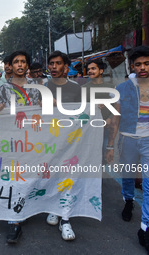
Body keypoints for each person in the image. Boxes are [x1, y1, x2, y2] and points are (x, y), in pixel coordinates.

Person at [105, 45, 149, 252]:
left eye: (147, 63)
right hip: (128, 139)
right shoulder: (123, 88)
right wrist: (110, 145)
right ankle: (129, 200)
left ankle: (145, 227)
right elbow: (116, 118)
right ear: (132, 66)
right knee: (128, 175)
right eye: (138, 64)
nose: (143, 68)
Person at [0, 50, 39, 244]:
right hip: (12, 139)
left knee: (29, 174)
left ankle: (28, 207)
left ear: (27, 65)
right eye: (16, 62)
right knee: (13, 177)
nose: (20, 65)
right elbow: (3, 110)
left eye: (23, 61)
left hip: (33, 137)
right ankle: (13, 221)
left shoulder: (38, 86)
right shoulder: (4, 88)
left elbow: (47, 108)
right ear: (11, 66)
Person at [44, 51, 82, 241]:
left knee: (69, 177)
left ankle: (65, 219)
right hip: (50, 140)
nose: (53, 67)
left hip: (71, 140)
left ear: (66, 67)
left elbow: (83, 113)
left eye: (58, 63)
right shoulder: (43, 87)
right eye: (51, 64)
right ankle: (54, 209)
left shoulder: (76, 88)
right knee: (53, 176)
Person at [83, 59, 114, 164]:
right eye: (88, 69)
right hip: (88, 129)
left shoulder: (111, 87)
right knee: (87, 157)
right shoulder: (83, 89)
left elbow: (117, 107)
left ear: (101, 71)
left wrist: (110, 118)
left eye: (93, 68)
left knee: (102, 158)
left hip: (105, 129)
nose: (90, 71)